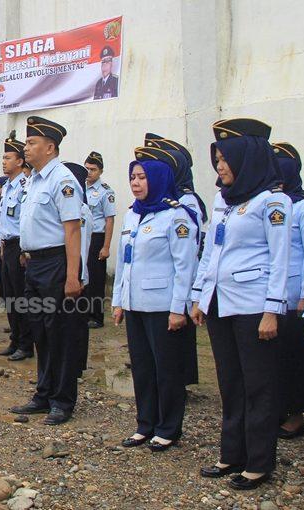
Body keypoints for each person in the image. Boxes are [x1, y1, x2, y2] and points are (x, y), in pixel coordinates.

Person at [191, 119, 290, 490]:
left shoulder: (273, 201)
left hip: (253, 307)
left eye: (226, 160)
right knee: (230, 383)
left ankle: (259, 462)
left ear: (246, 159)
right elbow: (211, 251)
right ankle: (232, 453)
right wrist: (201, 296)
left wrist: (271, 310)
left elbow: (281, 260)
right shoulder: (223, 199)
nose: (220, 168)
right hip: (220, 304)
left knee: (258, 386)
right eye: (216, 160)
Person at [112, 147, 199, 451]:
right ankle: (145, 424)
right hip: (136, 304)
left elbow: (185, 266)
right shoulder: (133, 213)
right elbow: (124, 261)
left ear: (159, 178)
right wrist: (119, 300)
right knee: (143, 367)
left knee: (167, 370)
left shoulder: (176, 216)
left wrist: (179, 309)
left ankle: (169, 427)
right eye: (132, 177)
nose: (135, 183)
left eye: (142, 177)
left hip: (164, 306)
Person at [9, 116, 83, 426]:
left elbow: (72, 230)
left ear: (50, 147)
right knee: (39, 330)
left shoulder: (61, 180)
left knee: (60, 334)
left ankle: (62, 401)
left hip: (56, 264)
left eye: (31, 143)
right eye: (26, 143)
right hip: (35, 264)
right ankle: (44, 392)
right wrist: (27, 253)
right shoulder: (35, 179)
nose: (26, 148)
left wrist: (72, 275)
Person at [269, 142, 304, 440]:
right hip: (273, 297)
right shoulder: (272, 202)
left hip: (296, 299)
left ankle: (297, 415)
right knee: (275, 359)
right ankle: (278, 408)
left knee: (295, 360)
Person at [144, 134, 207, 385]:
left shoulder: (186, 199)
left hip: (181, 273)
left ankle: (182, 376)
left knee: (179, 331)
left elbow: (194, 243)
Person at [0, 131, 34, 361]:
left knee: (21, 296)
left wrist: (24, 250)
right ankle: (15, 339)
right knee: (10, 296)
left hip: (20, 246)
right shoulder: (8, 186)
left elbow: (26, 220)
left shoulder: (24, 185)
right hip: (7, 245)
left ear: (20, 161)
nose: (4, 162)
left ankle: (26, 344)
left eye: (8, 158)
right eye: (3, 158)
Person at [64, 162, 93, 377]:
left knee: (76, 326)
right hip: (69, 274)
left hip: (78, 277)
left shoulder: (81, 211)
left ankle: (77, 366)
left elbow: (81, 247)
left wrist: (78, 277)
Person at [83, 150, 116, 329]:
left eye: (93, 169)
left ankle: (97, 316)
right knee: (84, 275)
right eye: (87, 168)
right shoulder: (80, 188)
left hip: (97, 238)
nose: (89, 172)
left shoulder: (105, 192)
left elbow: (109, 220)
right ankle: (85, 312)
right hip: (83, 237)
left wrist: (106, 246)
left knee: (96, 278)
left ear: (100, 171)